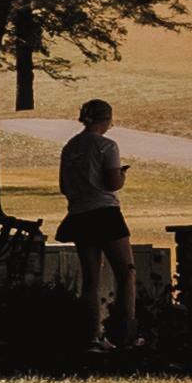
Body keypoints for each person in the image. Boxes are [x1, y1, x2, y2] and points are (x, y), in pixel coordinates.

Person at [56, 98, 133, 345]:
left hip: (79, 215)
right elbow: (112, 183)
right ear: (107, 120)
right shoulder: (106, 146)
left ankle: (89, 334)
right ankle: (125, 332)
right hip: (105, 214)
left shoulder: (70, 146)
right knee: (126, 273)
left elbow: (63, 186)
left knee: (90, 279)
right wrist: (121, 176)